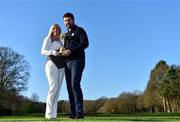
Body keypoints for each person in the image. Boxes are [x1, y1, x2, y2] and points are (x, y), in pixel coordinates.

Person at [62, 12, 89, 119]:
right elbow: (63, 49)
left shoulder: (80, 30)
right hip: (66, 62)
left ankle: (79, 112)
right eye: (65, 21)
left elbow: (85, 43)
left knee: (75, 85)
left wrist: (70, 51)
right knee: (69, 88)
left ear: (73, 20)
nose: (67, 22)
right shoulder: (65, 35)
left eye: (68, 20)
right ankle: (73, 112)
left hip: (77, 61)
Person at [41, 24, 64, 120]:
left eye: (58, 28)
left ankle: (54, 115)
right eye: (54, 28)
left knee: (58, 90)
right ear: (51, 29)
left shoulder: (62, 40)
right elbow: (42, 51)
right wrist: (53, 52)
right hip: (51, 62)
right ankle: (48, 114)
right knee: (53, 87)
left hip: (62, 65)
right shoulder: (48, 38)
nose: (56, 30)